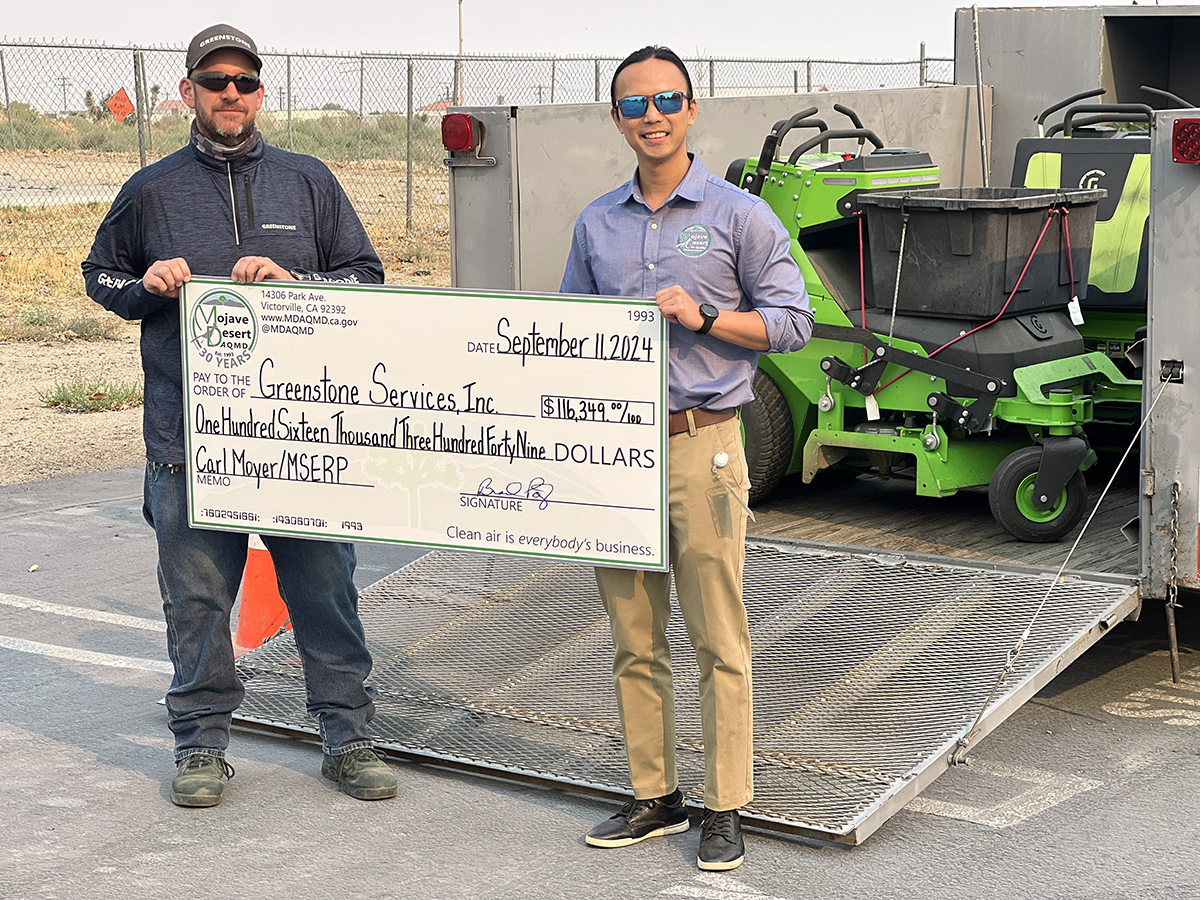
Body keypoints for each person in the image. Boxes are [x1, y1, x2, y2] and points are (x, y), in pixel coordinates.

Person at [82, 24, 396, 808]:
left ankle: (349, 735)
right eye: (215, 80)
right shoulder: (151, 188)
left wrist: (297, 280)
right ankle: (199, 745)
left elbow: (367, 277)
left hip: (302, 436)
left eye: (245, 82)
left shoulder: (308, 180)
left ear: (262, 93)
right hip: (187, 439)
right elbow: (99, 275)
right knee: (195, 600)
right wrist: (144, 284)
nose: (231, 93)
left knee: (325, 589)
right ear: (188, 91)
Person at [560, 46, 813, 871]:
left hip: (703, 444)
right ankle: (654, 795)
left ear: (692, 109)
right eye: (636, 104)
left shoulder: (741, 215)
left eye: (667, 99)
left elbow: (791, 325)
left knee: (717, 636)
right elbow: (568, 333)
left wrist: (704, 318)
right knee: (634, 635)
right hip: (616, 449)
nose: (653, 115)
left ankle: (725, 804)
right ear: (618, 120)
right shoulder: (597, 222)